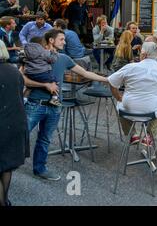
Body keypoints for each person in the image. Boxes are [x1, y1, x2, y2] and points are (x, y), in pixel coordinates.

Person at [22, 29, 108, 181]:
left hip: (55, 106)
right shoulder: (36, 56)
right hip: (36, 104)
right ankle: (5, 167)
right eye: (61, 39)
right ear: (51, 40)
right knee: (19, 136)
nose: (65, 42)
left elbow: (85, 74)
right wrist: (45, 85)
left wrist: (108, 80)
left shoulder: (64, 58)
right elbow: (23, 80)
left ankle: (40, 169)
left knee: (45, 139)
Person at [109, 42, 157, 147]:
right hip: (151, 112)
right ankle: (149, 136)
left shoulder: (130, 67)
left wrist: (118, 97)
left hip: (127, 110)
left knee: (120, 106)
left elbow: (111, 82)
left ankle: (132, 135)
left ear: (144, 54)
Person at [0, 40, 29, 206]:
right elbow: (19, 95)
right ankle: (5, 200)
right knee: (6, 166)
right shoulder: (15, 72)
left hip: (3, 122)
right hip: (15, 122)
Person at [23, 36, 61, 106]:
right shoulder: (43, 52)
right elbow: (52, 60)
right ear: (41, 44)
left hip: (30, 74)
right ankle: (54, 98)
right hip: (42, 73)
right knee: (55, 81)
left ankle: (24, 99)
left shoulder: (27, 52)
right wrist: (54, 53)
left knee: (29, 88)